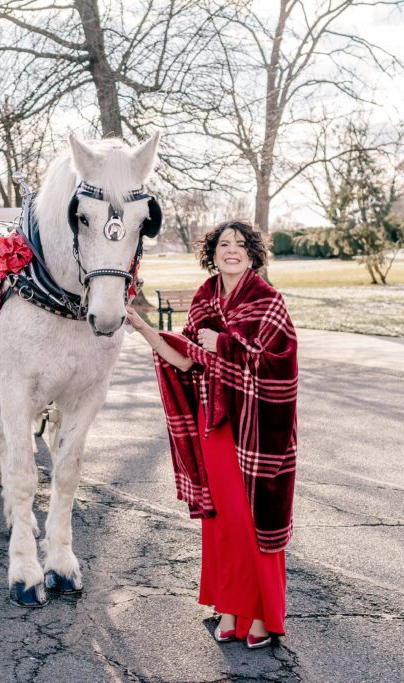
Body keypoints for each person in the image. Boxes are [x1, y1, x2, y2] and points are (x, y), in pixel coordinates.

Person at [125, 220, 298, 650]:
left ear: (254, 255)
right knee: (222, 523)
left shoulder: (268, 302)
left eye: (241, 244)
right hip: (215, 425)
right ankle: (231, 606)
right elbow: (186, 361)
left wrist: (222, 344)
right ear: (213, 253)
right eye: (224, 244)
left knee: (253, 521)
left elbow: (280, 368)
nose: (232, 250)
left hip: (255, 431)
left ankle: (261, 612)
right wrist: (145, 329)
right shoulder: (204, 299)